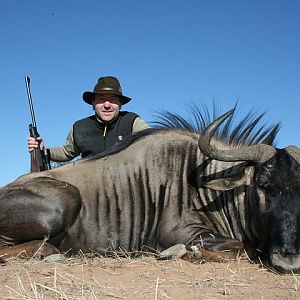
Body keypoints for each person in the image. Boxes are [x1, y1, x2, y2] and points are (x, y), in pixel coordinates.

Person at [28, 76, 150, 162]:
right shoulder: (80, 127)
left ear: (120, 104)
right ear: (92, 103)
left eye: (113, 100)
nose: (107, 105)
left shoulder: (132, 122)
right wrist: (43, 150)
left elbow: (151, 144)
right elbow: (67, 152)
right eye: (101, 99)